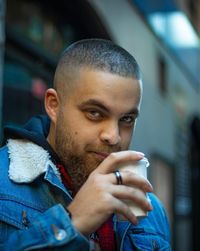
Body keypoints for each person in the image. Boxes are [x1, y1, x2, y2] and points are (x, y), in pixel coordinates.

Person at [0, 39, 171, 250]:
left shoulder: (152, 210)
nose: (114, 136)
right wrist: (73, 223)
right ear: (54, 106)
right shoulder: (3, 187)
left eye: (126, 119)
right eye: (95, 113)